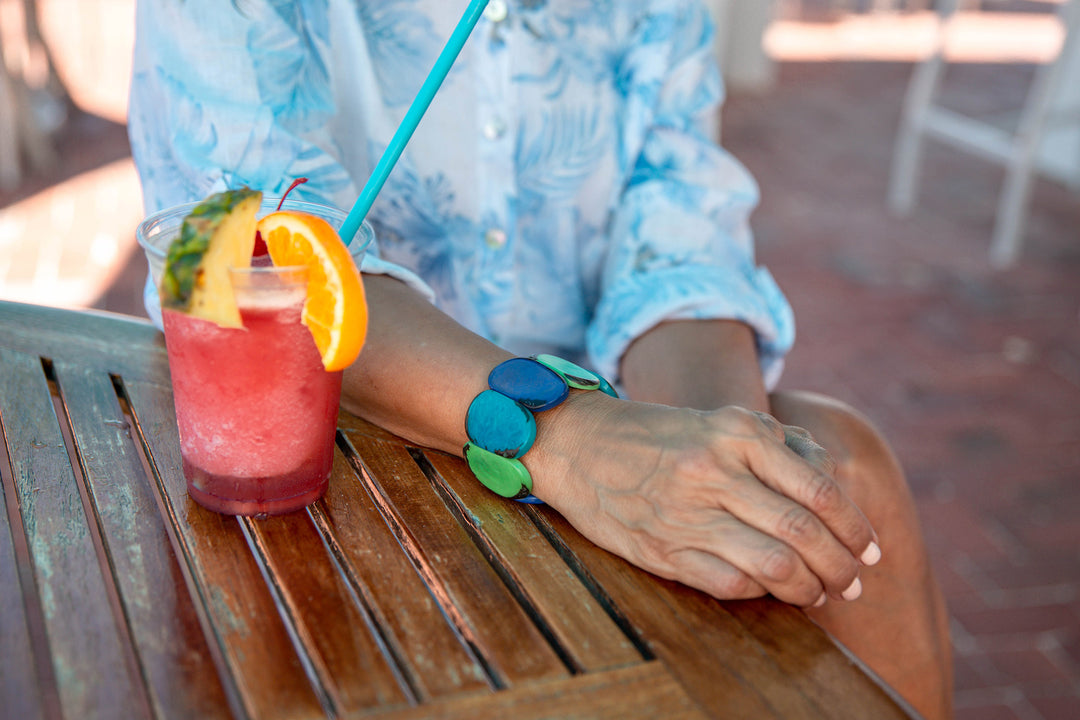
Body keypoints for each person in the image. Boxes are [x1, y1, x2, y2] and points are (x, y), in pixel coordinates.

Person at [129, 1, 953, 716]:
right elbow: (256, 251)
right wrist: (569, 440)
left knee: (844, 470)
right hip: (351, 434)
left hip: (608, 415)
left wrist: (709, 467)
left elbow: (677, 246)